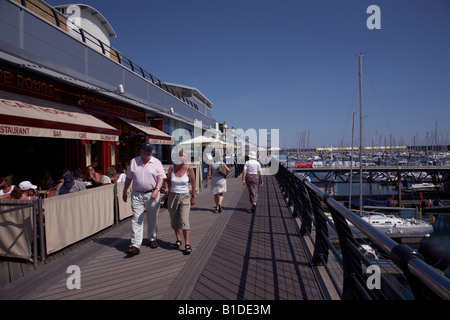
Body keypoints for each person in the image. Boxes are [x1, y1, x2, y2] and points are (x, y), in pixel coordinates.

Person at [122, 142, 166, 255]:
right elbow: (128, 178)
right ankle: (136, 245)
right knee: (136, 219)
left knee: (152, 218)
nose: (149, 152)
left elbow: (161, 177)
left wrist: (157, 190)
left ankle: (152, 238)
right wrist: (124, 191)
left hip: (152, 194)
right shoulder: (134, 162)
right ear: (141, 151)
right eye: (146, 150)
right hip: (137, 194)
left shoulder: (156, 162)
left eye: (150, 150)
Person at [164, 150, 196, 255]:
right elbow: (167, 180)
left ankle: (187, 244)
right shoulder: (171, 168)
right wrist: (166, 188)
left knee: (184, 220)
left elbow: (193, 183)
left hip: (185, 196)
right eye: (182, 156)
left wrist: (193, 196)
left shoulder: (189, 168)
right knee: (174, 220)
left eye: (185, 157)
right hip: (172, 196)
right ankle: (178, 240)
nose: (183, 159)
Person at [204, 149, 229, 213]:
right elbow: (228, 169)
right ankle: (220, 204)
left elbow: (209, 174)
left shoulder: (211, 164)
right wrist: (226, 174)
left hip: (214, 179)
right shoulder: (222, 163)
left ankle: (217, 206)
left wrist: (206, 182)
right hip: (221, 179)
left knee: (215, 194)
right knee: (221, 194)